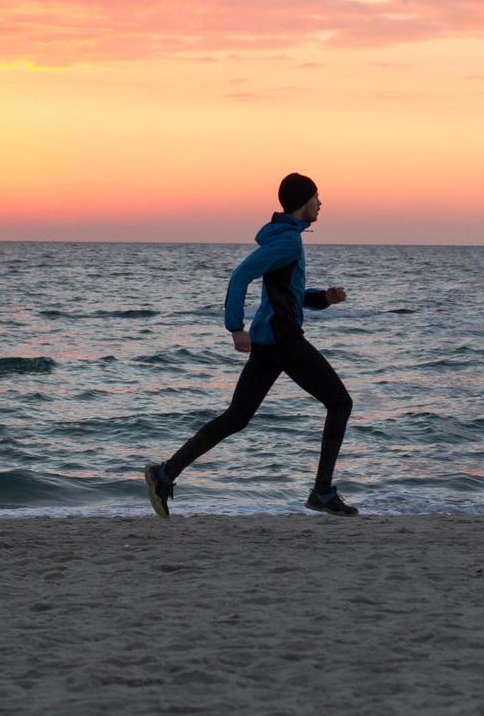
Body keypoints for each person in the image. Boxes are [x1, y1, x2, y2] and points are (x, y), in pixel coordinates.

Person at [144, 173, 358, 517]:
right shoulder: (288, 243)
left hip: (271, 342)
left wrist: (322, 299)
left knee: (236, 418)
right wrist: (234, 328)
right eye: (318, 197)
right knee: (340, 403)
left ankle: (164, 474)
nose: (322, 204)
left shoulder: (286, 239)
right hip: (283, 341)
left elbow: (287, 296)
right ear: (304, 202)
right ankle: (321, 493)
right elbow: (241, 276)